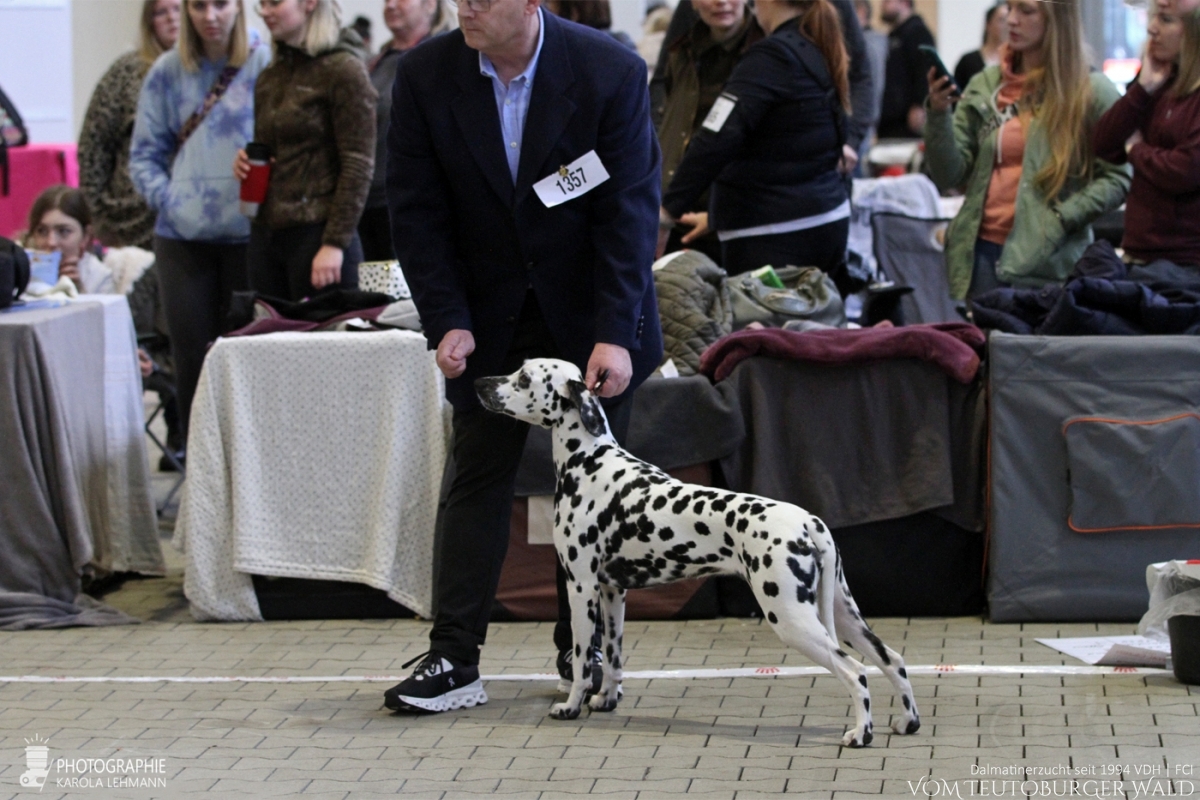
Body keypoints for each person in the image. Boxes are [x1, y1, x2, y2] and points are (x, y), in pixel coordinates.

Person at [382, 0, 663, 712]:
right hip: (486, 320)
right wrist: (446, 320)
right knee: (475, 476)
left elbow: (629, 210)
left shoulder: (610, 71)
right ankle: (453, 660)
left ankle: (584, 653)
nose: (465, 9)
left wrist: (615, 332)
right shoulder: (423, 75)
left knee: (594, 497)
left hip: (590, 313)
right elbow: (416, 212)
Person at [924, 0, 1131, 300]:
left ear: (1057, 19)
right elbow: (948, 175)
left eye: (1026, 10)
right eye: (1010, 8)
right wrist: (938, 114)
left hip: (1051, 261)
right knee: (985, 346)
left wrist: (1061, 219)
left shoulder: (1092, 91)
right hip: (980, 253)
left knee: (1038, 346)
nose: (1012, 20)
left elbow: (1118, 177)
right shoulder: (985, 84)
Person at [130, 0, 270, 442]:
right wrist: (173, 201)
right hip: (183, 240)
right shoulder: (168, 71)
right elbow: (143, 157)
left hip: (251, 235)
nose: (210, 16)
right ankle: (200, 479)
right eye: (198, 5)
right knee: (192, 360)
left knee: (249, 357)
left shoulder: (265, 63)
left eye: (221, 4)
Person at [661, 0, 854, 282]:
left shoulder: (771, 56)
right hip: (821, 219)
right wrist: (719, 215)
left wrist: (667, 211)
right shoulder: (812, 45)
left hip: (776, 235)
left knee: (768, 327)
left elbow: (718, 136)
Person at [234, 0, 376, 301]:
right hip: (266, 235)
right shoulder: (271, 75)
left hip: (319, 237)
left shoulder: (344, 70)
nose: (265, 12)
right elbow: (270, 152)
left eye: (274, 3)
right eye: (261, 5)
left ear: (310, 3)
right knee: (268, 345)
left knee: (329, 346)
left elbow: (358, 165)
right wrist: (246, 162)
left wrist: (335, 244)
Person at [1093, 0, 1200, 267]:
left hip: (1186, 264)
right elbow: (1104, 143)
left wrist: (1136, 150)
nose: (1151, 29)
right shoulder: (1157, 81)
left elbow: (1185, 170)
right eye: (1153, 18)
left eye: (1165, 20)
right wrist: (1141, 90)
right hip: (1139, 254)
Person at [78, 0, 181, 250]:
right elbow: (94, 147)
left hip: (190, 214)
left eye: (178, 9)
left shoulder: (212, 72)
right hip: (129, 218)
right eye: (160, 12)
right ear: (149, 22)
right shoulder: (126, 72)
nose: (171, 18)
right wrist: (97, 217)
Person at [358, 0, 452, 261]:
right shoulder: (376, 60)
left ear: (430, 5)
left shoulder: (442, 57)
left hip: (412, 198)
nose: (390, 5)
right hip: (368, 198)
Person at [23, 186, 113, 294]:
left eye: (64, 231)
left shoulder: (99, 277)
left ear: (85, 236)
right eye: (42, 231)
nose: (51, 242)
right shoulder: (16, 268)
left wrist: (79, 292)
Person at [877, 0, 934, 138]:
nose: (882, 5)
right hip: (889, 118)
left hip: (906, 119)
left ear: (904, 3)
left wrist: (920, 105)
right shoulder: (893, 36)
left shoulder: (918, 32)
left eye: (887, 1)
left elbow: (925, 71)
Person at [853, 0, 887, 168]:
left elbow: (871, 86)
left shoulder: (867, 45)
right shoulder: (877, 43)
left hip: (862, 122)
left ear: (860, 12)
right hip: (866, 120)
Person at [953, 3, 1007, 94]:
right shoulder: (968, 61)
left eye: (1008, 20)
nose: (1007, 26)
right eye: (1002, 20)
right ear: (988, 24)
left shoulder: (1018, 60)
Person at [545, 0, 635, 48]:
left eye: (550, 2)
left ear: (574, 12)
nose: (547, 8)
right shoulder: (621, 42)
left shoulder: (566, 49)